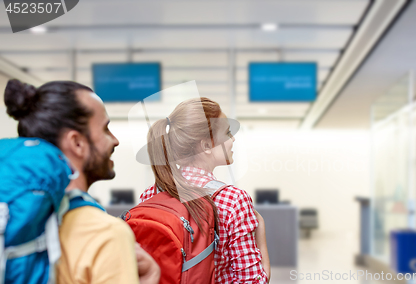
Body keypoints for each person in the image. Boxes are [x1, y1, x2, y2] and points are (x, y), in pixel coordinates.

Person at [3, 79, 160, 284]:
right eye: (105, 129)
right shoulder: (104, 233)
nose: (115, 140)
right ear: (77, 143)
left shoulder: (12, 218)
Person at [139, 97, 271, 284]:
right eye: (227, 133)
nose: (232, 139)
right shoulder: (232, 199)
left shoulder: (150, 195)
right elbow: (252, 280)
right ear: (207, 145)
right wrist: (261, 228)